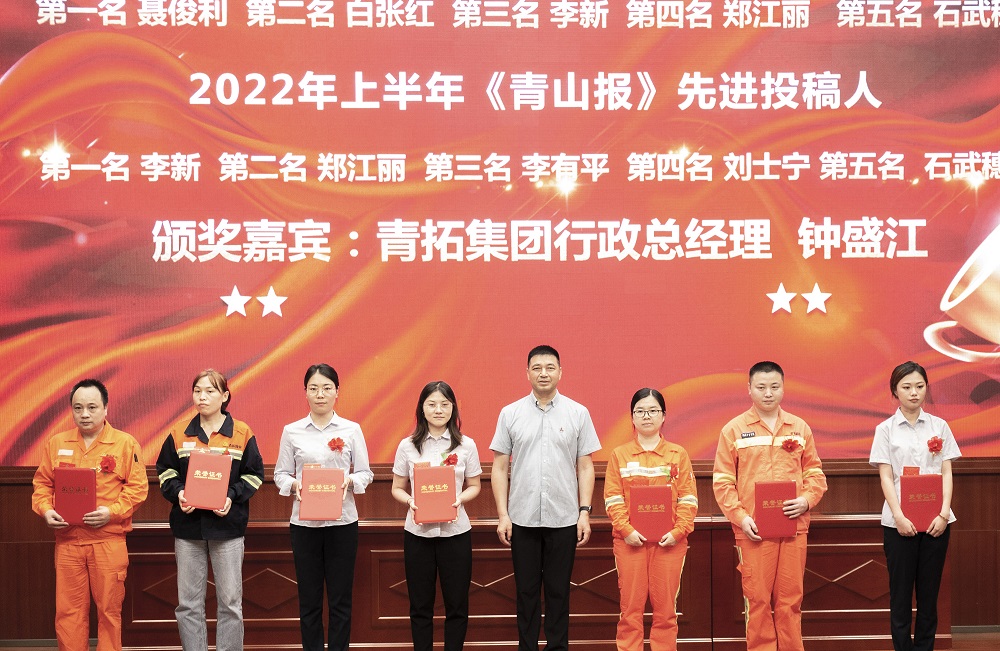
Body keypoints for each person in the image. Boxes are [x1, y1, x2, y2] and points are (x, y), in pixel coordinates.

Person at [490, 344, 602, 651]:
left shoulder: (578, 413)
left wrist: (584, 512)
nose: (543, 373)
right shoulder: (510, 413)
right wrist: (503, 515)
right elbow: (499, 467)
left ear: (560, 373)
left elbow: (585, 466)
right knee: (525, 593)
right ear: (527, 373)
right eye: (537, 368)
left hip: (564, 519)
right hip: (522, 519)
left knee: (558, 593)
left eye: (550, 367)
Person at [712, 361, 827, 651]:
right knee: (758, 601)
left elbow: (815, 474)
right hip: (753, 531)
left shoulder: (799, 428)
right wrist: (740, 518)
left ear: (783, 388)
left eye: (774, 387)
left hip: (794, 529)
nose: (768, 393)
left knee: (790, 601)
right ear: (749, 389)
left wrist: (806, 500)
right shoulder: (733, 430)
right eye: (761, 387)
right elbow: (723, 483)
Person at [31, 379, 148, 651]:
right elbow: (42, 485)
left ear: (106, 408)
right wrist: (46, 510)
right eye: (78, 408)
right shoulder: (56, 443)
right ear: (71, 410)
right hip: (68, 543)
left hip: (108, 541)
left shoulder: (125, 443)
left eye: (92, 407)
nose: (84, 414)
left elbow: (138, 489)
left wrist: (112, 512)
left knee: (109, 613)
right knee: (68, 614)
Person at [156, 369, 265, 651]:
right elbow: (165, 472)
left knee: (230, 603)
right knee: (188, 604)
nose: (202, 397)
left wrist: (230, 496)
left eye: (209, 391)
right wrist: (179, 493)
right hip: (188, 529)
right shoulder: (178, 432)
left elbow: (254, 475)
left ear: (225, 396)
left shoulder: (242, 433)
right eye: (197, 391)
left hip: (227, 529)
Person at [273, 364, 373, 651]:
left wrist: (349, 481)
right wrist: (295, 485)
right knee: (309, 600)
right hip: (304, 525)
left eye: (327, 388)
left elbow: (365, 473)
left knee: (341, 600)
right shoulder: (291, 431)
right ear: (305, 392)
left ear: (337, 392)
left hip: (342, 523)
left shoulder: (351, 429)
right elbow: (280, 474)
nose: (320, 394)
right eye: (314, 388)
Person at [869, 361, 959, 651]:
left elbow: (946, 472)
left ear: (926, 388)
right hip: (899, 523)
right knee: (900, 596)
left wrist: (943, 514)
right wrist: (898, 516)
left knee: (929, 597)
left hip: (936, 522)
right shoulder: (885, 429)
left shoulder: (939, 426)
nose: (914, 392)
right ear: (895, 391)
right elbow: (886, 476)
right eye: (906, 387)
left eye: (919, 386)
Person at [390, 381, 483, 651]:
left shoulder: (466, 445)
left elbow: (475, 485)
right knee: (420, 606)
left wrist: (459, 499)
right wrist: (410, 500)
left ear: (453, 408)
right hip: (418, 535)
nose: (438, 410)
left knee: (457, 605)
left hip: (456, 534)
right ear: (422, 408)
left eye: (444, 404)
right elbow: (397, 488)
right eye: (432, 404)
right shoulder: (407, 446)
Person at [604, 388, 697, 651]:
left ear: (663, 416)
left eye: (653, 410)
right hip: (629, 543)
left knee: (666, 611)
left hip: (669, 544)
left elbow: (688, 499)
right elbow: (613, 499)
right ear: (632, 417)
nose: (647, 416)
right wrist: (626, 530)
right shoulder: (619, 455)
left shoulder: (678, 454)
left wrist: (678, 532)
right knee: (630, 610)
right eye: (640, 411)